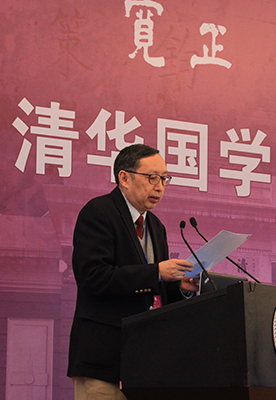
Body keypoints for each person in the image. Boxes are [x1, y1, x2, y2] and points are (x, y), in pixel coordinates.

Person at [67, 144, 198, 400]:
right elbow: (94, 278)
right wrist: (156, 272)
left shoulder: (156, 226)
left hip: (145, 365)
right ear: (124, 178)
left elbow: (156, 290)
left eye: (164, 179)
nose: (159, 187)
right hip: (104, 361)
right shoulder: (99, 212)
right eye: (152, 178)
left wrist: (181, 287)